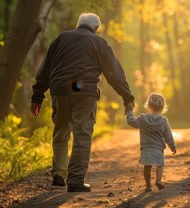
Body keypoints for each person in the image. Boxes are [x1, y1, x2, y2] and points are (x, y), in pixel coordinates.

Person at [30, 13, 135, 192]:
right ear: (95, 29)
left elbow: (45, 69)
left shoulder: (60, 39)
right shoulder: (98, 42)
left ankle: (58, 176)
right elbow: (114, 74)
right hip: (85, 93)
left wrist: (37, 97)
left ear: (79, 25)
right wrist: (127, 97)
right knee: (82, 134)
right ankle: (76, 180)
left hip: (60, 91)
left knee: (61, 131)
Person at [126, 93, 176, 191]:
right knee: (160, 165)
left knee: (147, 168)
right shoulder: (164, 121)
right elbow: (168, 135)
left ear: (148, 105)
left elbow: (131, 121)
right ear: (162, 108)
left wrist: (129, 111)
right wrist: (172, 146)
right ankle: (158, 180)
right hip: (158, 149)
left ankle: (148, 186)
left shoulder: (143, 119)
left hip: (146, 149)